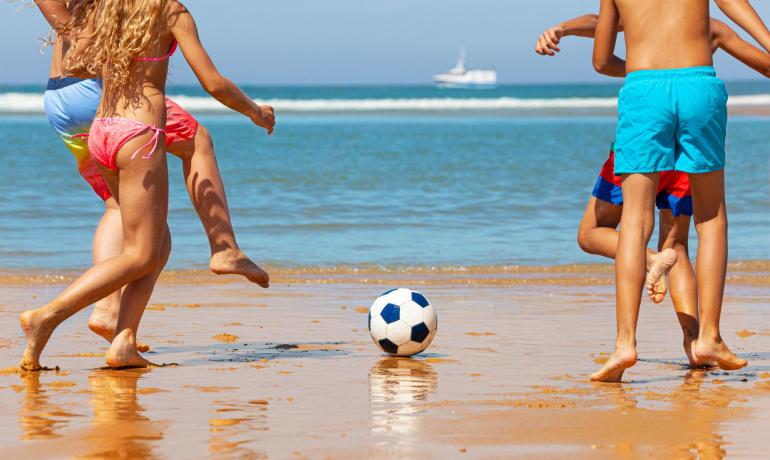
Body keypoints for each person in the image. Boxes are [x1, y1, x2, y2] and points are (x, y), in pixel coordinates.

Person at [19, 0, 275, 371]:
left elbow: (76, 63)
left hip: (100, 131)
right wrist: (255, 111)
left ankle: (122, 339)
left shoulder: (104, 11)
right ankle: (47, 316)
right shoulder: (171, 12)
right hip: (138, 134)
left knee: (156, 242)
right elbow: (214, 83)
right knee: (141, 253)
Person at [535, 14, 770, 369]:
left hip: (646, 102)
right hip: (695, 104)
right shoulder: (711, 27)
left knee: (618, 227)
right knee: (687, 236)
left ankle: (627, 339)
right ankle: (699, 341)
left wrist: (565, 29)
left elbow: (602, 43)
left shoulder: (643, 15)